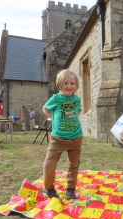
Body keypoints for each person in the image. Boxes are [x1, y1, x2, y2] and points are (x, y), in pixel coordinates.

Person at [42, 69, 83, 200]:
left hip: (76, 138)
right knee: (49, 164)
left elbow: (78, 112)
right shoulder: (56, 98)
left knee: (73, 165)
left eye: (72, 83)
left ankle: (70, 190)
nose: (69, 86)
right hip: (58, 139)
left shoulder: (77, 99)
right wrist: (54, 118)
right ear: (60, 84)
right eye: (66, 83)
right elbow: (45, 108)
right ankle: (49, 189)